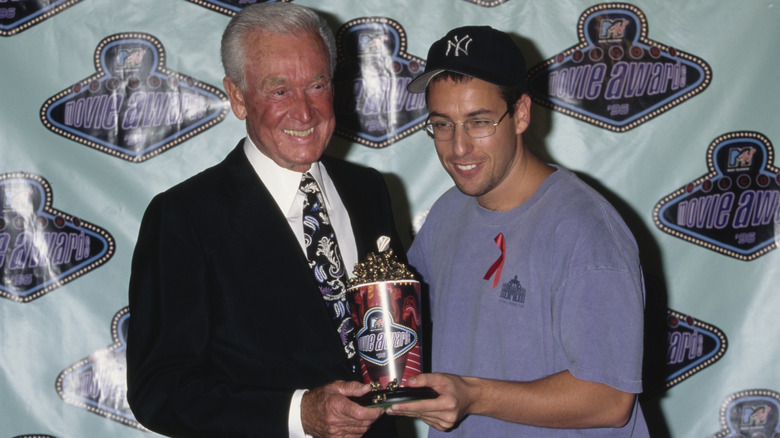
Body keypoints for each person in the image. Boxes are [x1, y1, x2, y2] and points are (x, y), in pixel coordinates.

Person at [126, 4, 402, 437]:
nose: (305, 111)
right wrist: (299, 414)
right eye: (279, 91)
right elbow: (159, 390)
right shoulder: (184, 217)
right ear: (238, 97)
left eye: (317, 84)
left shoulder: (368, 191)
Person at [386, 26, 649, 437]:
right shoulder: (448, 212)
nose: (458, 148)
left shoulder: (587, 230)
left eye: (479, 122)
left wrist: (472, 395)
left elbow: (611, 400)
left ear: (521, 114)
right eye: (442, 124)